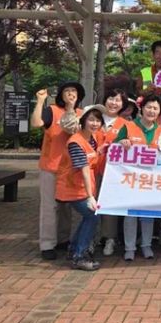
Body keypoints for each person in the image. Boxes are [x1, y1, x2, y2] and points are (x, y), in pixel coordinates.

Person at [30, 81, 84, 261]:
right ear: (61, 94)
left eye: (74, 91)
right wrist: (40, 101)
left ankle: (63, 239)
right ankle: (47, 244)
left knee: (65, 207)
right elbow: (36, 123)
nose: (71, 93)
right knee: (50, 207)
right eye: (67, 91)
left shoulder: (82, 114)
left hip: (71, 169)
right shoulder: (52, 111)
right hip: (51, 167)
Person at [55, 105, 107, 271]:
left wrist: (100, 151)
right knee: (92, 216)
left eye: (98, 120)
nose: (95, 123)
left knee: (89, 216)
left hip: (82, 188)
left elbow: (91, 158)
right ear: (83, 120)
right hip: (72, 188)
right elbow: (84, 168)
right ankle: (80, 256)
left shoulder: (91, 138)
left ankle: (74, 250)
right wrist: (90, 196)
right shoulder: (75, 142)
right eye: (91, 119)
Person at [115, 94, 161, 261]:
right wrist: (121, 143)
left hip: (152, 179)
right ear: (142, 109)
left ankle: (146, 245)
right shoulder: (128, 126)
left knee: (147, 213)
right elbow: (114, 147)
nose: (151, 111)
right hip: (130, 178)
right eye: (149, 107)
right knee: (130, 213)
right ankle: (129, 247)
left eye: (155, 108)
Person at [97, 89, 130, 257]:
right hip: (91, 169)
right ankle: (90, 238)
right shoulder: (94, 119)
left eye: (118, 100)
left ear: (122, 105)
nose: (114, 103)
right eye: (111, 98)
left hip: (112, 173)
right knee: (91, 205)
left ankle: (109, 238)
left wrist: (126, 142)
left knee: (109, 205)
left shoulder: (126, 124)